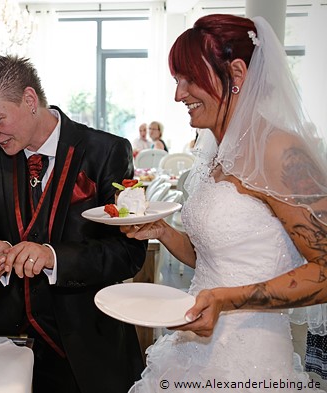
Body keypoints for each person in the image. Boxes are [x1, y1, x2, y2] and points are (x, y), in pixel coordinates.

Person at [121, 14, 327, 391]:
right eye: (177, 81)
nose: (178, 94)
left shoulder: (279, 152)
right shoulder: (214, 151)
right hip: (192, 349)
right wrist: (164, 232)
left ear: (236, 73)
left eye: (189, 79)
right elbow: (218, 259)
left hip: (249, 361)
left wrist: (226, 300)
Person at [0, 56, 147, 393]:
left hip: (89, 338)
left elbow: (127, 253)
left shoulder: (105, 151)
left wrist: (53, 257)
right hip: (11, 334)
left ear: (30, 100)